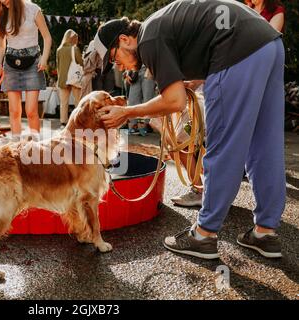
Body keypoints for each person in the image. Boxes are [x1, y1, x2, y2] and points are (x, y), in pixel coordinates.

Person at [96, 0, 285, 259]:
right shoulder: (161, 24)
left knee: (224, 147)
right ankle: (266, 231)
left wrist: (127, 112)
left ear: (125, 39)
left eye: (113, 57)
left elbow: (174, 101)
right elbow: (207, 45)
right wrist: (194, 82)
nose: (118, 66)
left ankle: (204, 235)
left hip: (237, 50)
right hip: (269, 43)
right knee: (266, 145)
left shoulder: (149, 39)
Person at [0, 0, 52, 141]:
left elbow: (47, 37)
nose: (3, 1)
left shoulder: (33, 9)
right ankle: (16, 148)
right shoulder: (2, 14)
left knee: (31, 110)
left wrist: (44, 59)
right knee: (14, 111)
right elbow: (1, 46)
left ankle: (36, 148)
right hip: (11, 65)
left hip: (33, 64)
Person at [56, 29, 83, 128]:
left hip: (63, 79)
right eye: (76, 38)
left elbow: (58, 66)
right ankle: (77, 121)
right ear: (72, 38)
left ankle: (63, 122)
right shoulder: (75, 49)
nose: (77, 40)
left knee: (64, 102)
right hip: (74, 78)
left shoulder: (59, 50)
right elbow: (81, 63)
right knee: (78, 101)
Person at [126, 65, 155, 136]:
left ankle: (144, 126)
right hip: (134, 70)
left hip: (148, 68)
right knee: (132, 99)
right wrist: (127, 72)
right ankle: (133, 125)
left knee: (147, 99)